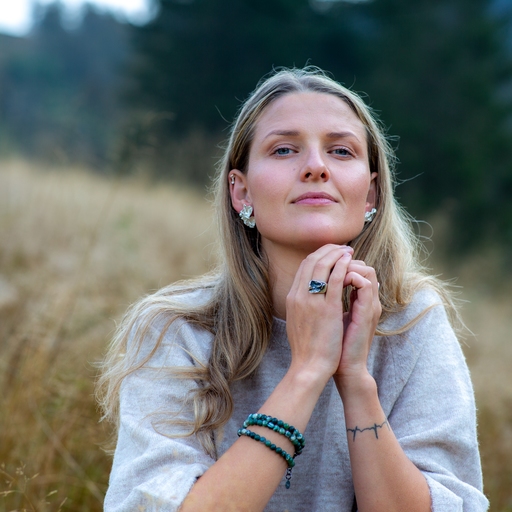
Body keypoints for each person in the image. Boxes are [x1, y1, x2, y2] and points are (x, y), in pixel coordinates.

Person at [97, 67, 489, 512]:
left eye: (341, 151)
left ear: (371, 195)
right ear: (241, 192)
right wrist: (307, 371)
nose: (316, 167)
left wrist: (356, 382)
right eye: (284, 149)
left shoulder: (412, 323)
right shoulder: (175, 330)